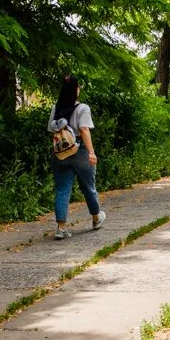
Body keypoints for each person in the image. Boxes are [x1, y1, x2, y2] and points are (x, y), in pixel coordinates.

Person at [47, 74, 105, 240]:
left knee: (62, 189)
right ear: (76, 90)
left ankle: (61, 227)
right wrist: (91, 152)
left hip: (60, 152)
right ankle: (96, 218)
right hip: (79, 150)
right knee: (88, 187)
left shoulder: (55, 108)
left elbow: (52, 130)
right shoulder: (83, 108)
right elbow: (84, 130)